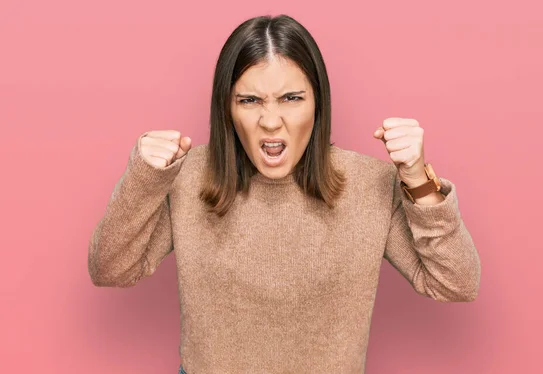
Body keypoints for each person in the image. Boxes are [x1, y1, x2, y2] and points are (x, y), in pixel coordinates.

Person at [88, 14, 481, 374]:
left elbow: (455, 283)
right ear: (227, 108)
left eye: (292, 98)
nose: (271, 120)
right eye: (249, 100)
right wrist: (143, 179)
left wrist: (418, 179)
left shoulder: (369, 183)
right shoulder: (187, 178)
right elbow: (111, 269)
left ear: (318, 103)